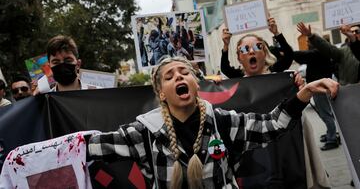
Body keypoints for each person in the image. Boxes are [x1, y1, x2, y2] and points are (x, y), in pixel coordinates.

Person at [88, 56, 339, 188]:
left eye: (184, 72)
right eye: (170, 76)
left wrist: (303, 94)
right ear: (162, 93)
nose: (178, 76)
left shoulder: (224, 122)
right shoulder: (143, 133)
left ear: (196, 84)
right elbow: (90, 146)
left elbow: (271, 126)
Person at [293, 39, 338, 150]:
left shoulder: (317, 53)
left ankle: (332, 139)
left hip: (320, 88)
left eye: (309, 41)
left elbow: (298, 56)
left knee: (325, 114)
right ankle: (331, 133)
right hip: (322, 86)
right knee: (326, 113)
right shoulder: (323, 52)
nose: (307, 43)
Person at [220, 17, 294, 78]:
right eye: (244, 49)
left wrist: (276, 33)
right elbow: (225, 68)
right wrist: (226, 45)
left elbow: (289, 56)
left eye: (257, 47)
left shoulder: (274, 72)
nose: (251, 51)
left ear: (264, 53)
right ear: (239, 58)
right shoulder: (239, 77)